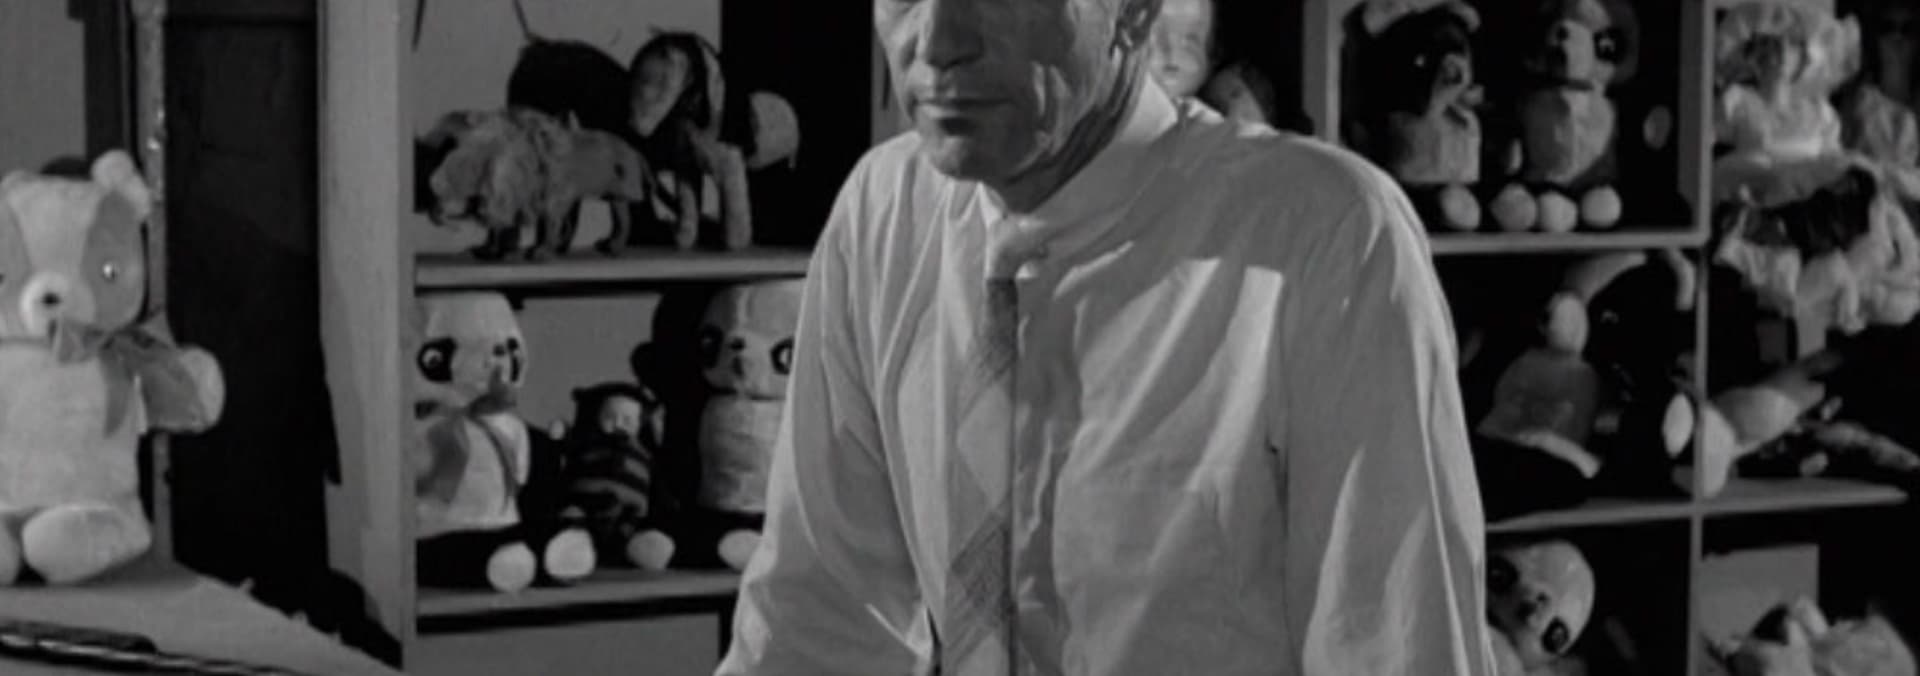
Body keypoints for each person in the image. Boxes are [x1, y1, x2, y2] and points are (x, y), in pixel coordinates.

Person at [716, 0, 1496, 673]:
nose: (938, 40)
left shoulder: (1324, 237)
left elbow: (1400, 647)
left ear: (1135, 9)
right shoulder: (885, 211)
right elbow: (816, 624)